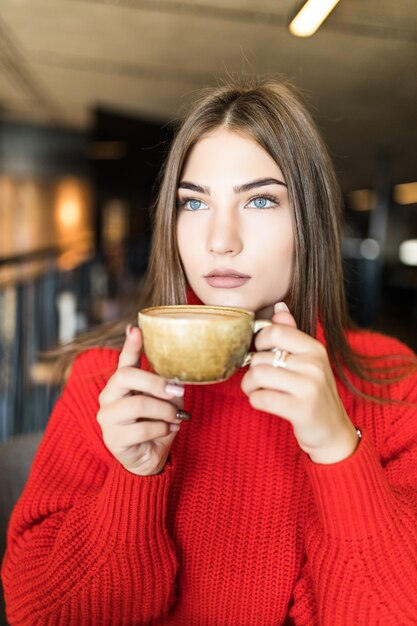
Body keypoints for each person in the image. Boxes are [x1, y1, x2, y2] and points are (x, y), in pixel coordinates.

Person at [2, 77, 417, 626]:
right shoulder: (107, 381)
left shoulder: (391, 380)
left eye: (261, 200)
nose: (220, 239)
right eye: (194, 203)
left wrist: (338, 451)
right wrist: (135, 479)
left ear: (310, 222)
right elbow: (41, 612)